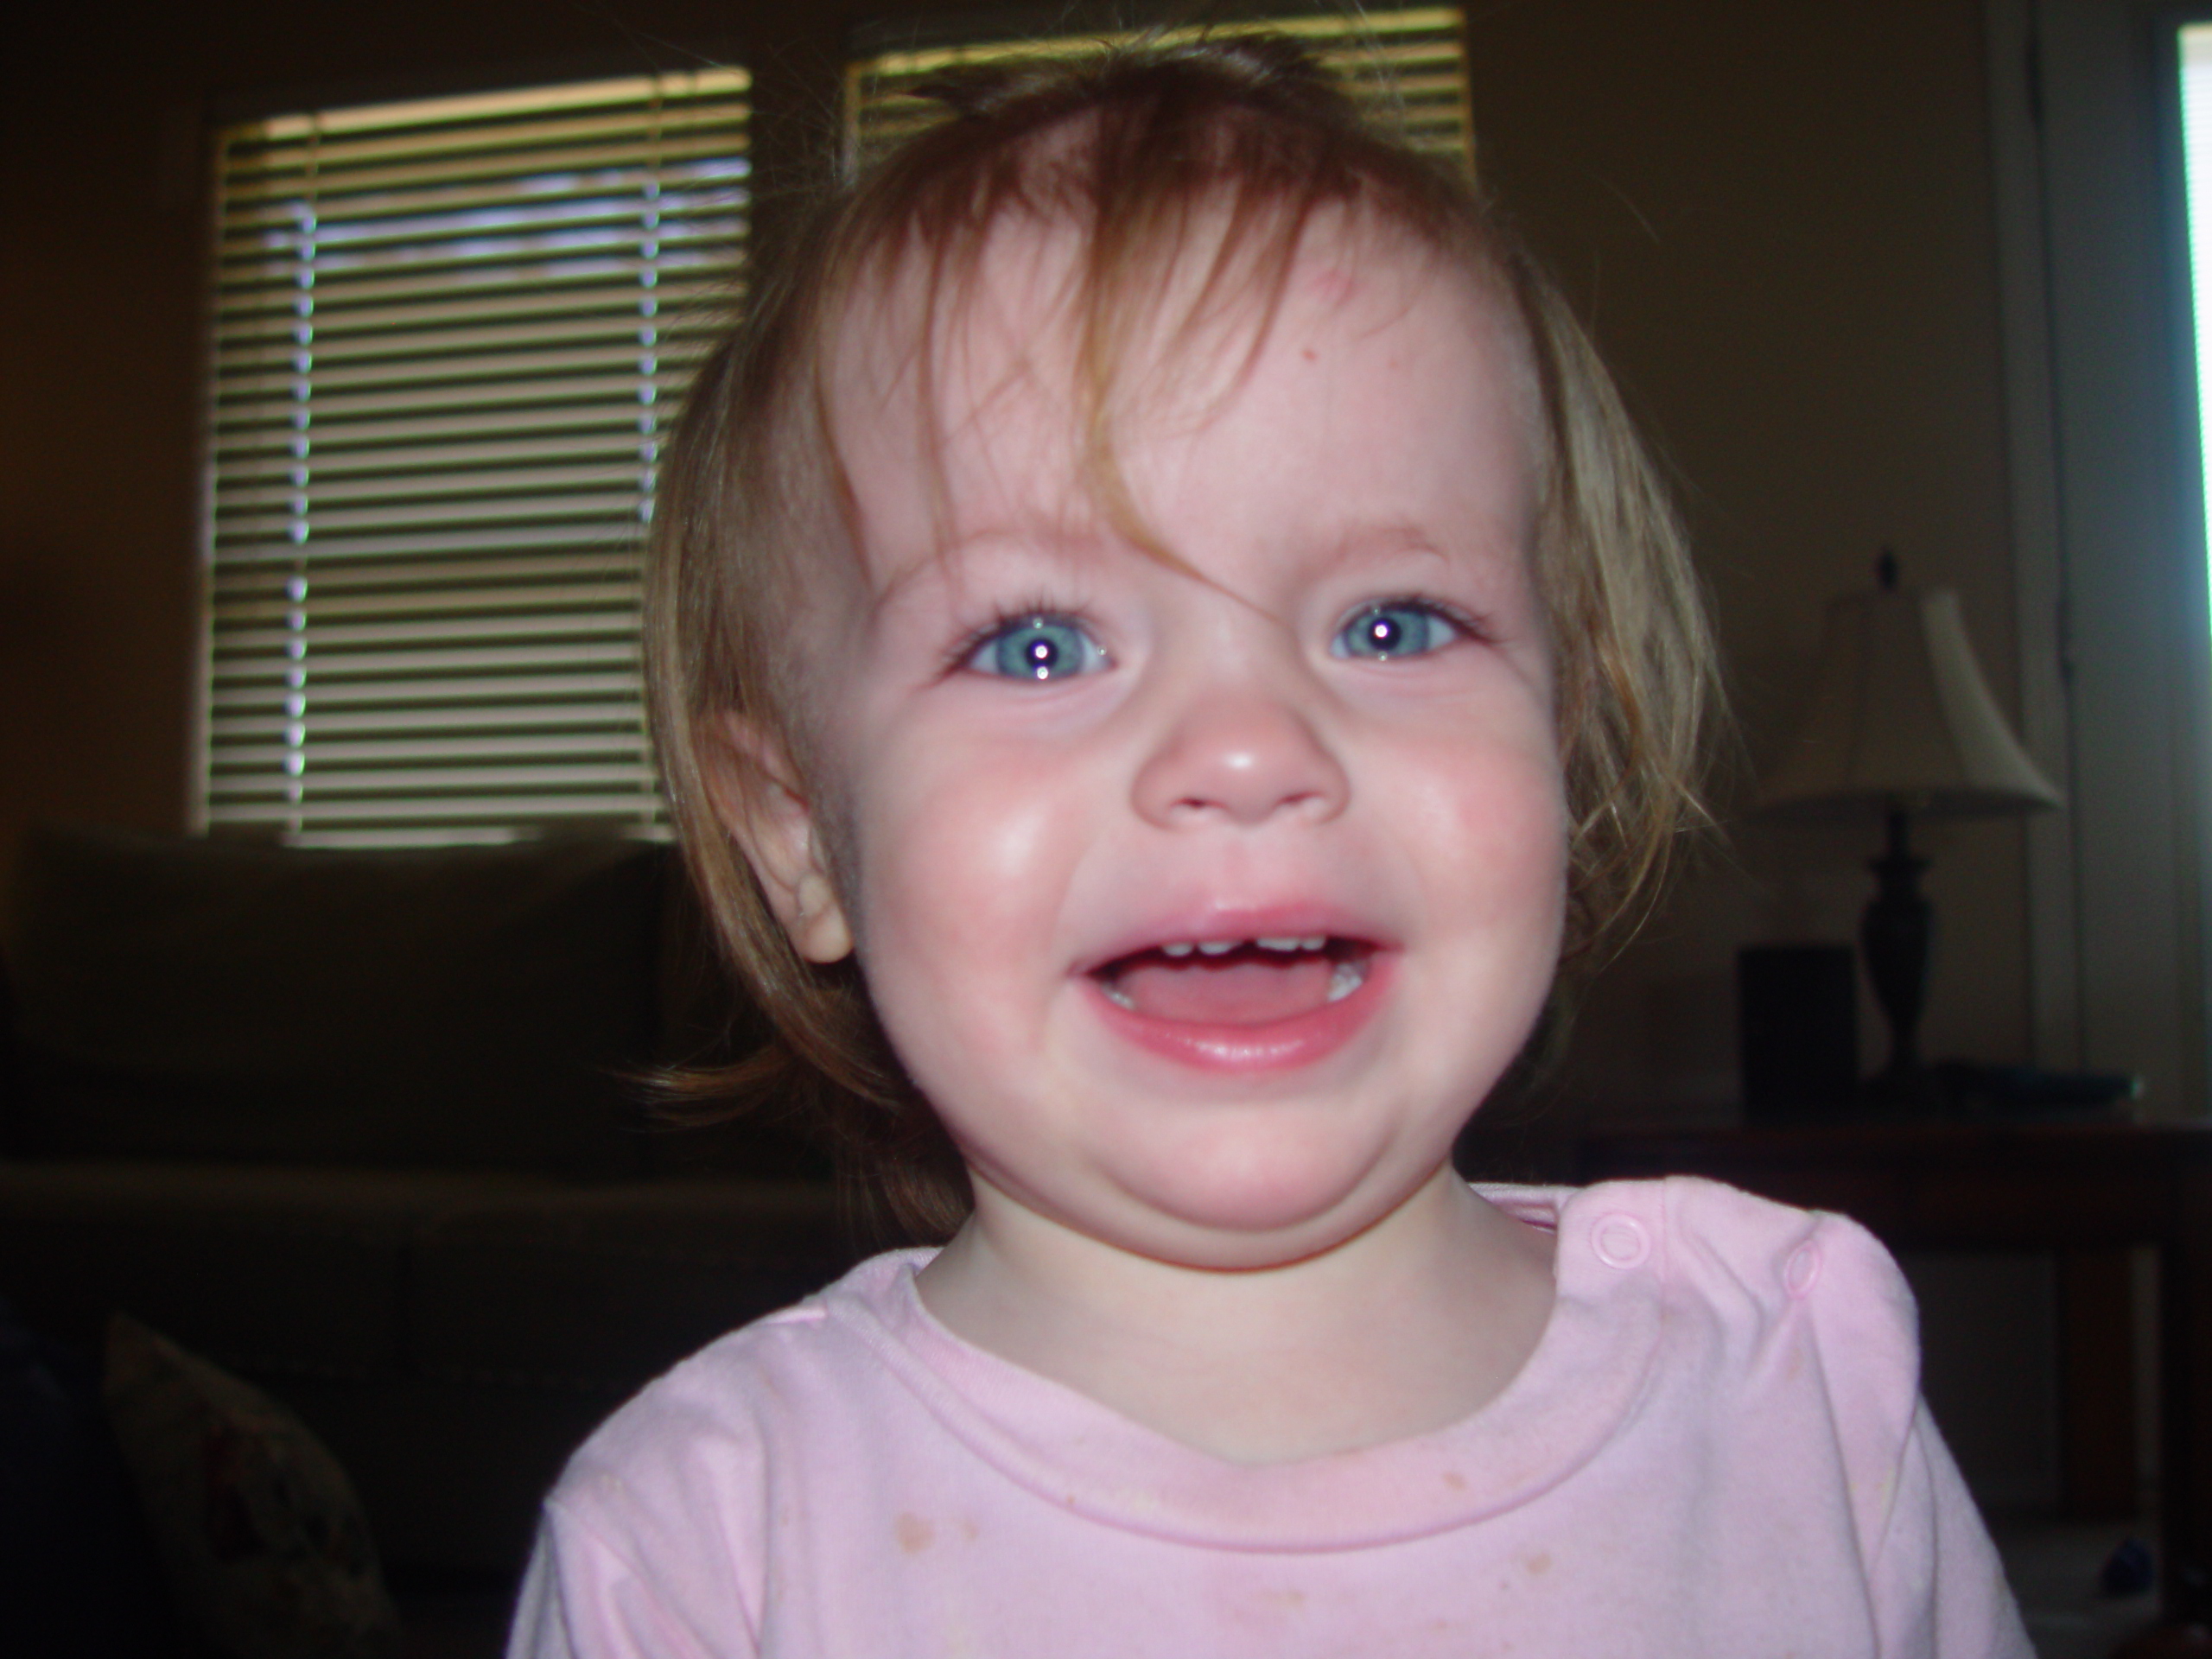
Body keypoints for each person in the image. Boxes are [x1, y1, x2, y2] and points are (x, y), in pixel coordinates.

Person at [509, 37, 2031, 1658]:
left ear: (1561, 741)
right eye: (1037, 644)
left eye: (1394, 622)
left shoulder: (1798, 1389)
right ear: (801, 836)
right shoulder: (713, 1546)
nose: (1249, 749)